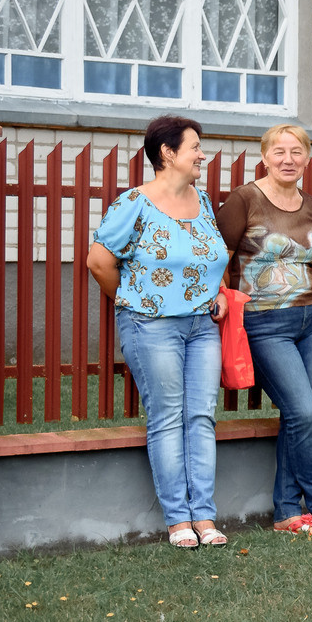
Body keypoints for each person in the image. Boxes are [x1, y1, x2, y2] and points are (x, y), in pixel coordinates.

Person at [87, 114, 230, 548]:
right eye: (194, 147)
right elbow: (99, 262)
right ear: (167, 153)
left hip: (202, 326)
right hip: (151, 326)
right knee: (168, 418)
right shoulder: (133, 203)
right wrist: (137, 301)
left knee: (201, 416)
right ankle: (178, 520)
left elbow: (209, 258)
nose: (202, 155)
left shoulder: (202, 201)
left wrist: (221, 292)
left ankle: (204, 515)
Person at [217, 123, 312, 536]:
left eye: (296, 152)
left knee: (298, 416)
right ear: (265, 157)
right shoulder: (244, 199)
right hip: (265, 321)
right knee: (305, 412)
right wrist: (220, 298)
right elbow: (218, 257)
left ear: (308, 158)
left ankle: (287, 511)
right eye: (279, 152)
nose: (288, 159)